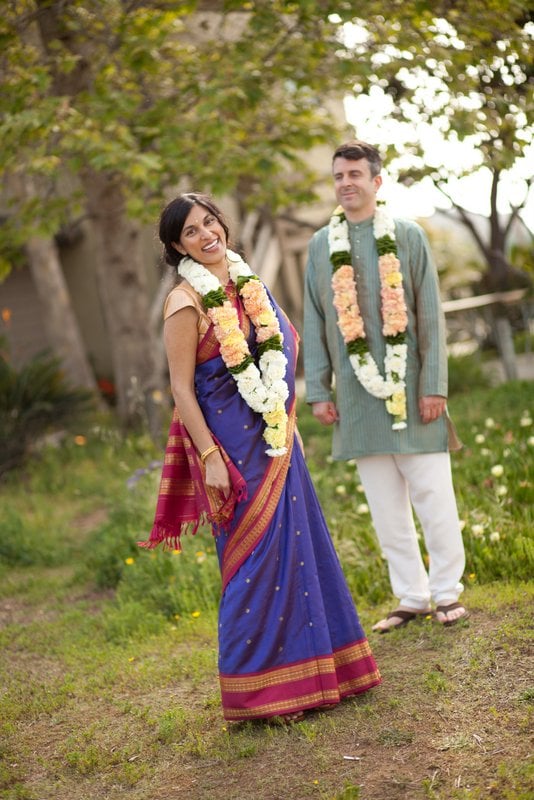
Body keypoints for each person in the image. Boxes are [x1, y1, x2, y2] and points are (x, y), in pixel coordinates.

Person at [140, 192, 381, 722]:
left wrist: (286, 410)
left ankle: (328, 670)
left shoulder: (249, 284)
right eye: (191, 233)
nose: (206, 236)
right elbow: (181, 388)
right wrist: (209, 455)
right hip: (231, 449)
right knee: (255, 561)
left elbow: (283, 343)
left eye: (209, 223)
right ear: (176, 247)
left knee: (302, 546)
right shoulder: (186, 302)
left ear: (221, 223)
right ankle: (261, 693)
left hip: (275, 437)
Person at [303, 141, 469, 633]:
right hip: (355, 398)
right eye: (338, 176)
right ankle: (411, 596)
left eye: (355, 174)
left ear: (376, 181)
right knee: (384, 506)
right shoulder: (319, 246)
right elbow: (314, 319)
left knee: (433, 496)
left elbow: (430, 316)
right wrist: (318, 390)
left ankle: (446, 593)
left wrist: (434, 384)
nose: (346, 183)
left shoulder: (407, 236)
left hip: (414, 389)